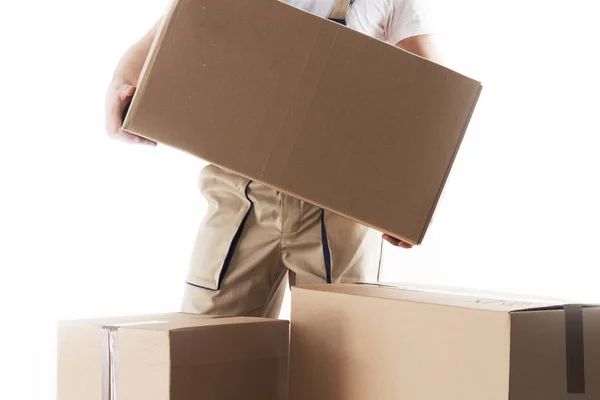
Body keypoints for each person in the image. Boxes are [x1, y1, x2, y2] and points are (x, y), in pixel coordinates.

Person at [105, 0, 442, 318]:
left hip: (337, 213)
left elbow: (435, 95)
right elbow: (162, 37)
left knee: (344, 358)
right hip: (239, 199)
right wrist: (121, 91)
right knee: (209, 347)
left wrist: (413, 201)